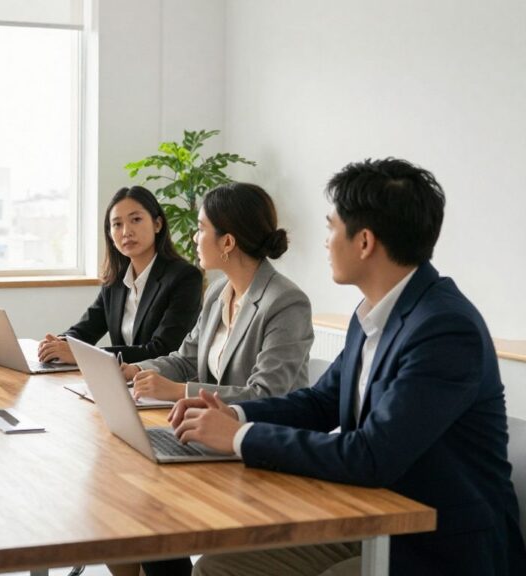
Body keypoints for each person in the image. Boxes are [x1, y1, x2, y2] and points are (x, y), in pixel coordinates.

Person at [175, 159, 526, 575]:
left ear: (364, 242)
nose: (325, 242)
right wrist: (233, 414)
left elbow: (372, 454)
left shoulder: (444, 329)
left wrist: (240, 437)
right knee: (218, 569)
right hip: (372, 517)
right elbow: (321, 402)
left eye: (331, 227)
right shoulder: (373, 313)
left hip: (438, 545)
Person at [123, 182, 314, 404]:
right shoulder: (217, 293)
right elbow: (186, 360)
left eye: (201, 229)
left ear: (227, 242)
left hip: (265, 434)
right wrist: (135, 370)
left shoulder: (286, 303)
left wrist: (180, 391)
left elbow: (265, 394)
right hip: (214, 427)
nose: (195, 237)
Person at [37, 186, 203, 366]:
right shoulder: (116, 281)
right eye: (117, 224)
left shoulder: (185, 277)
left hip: (162, 386)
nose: (126, 232)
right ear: (110, 233)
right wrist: (59, 343)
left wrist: (84, 355)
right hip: (122, 383)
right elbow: (86, 329)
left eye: (136, 220)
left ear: (157, 224)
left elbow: (163, 349)